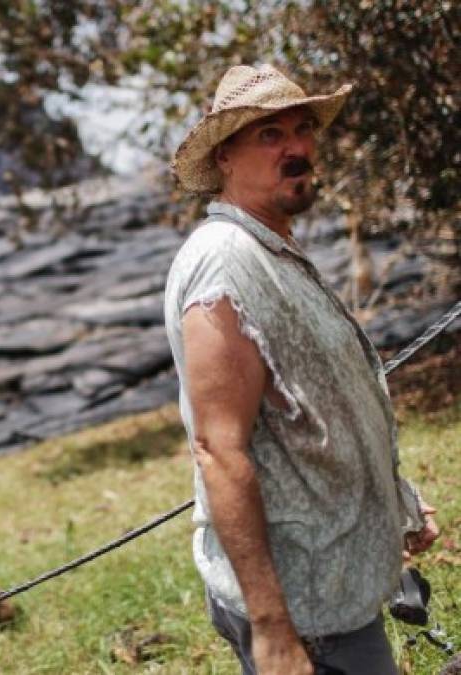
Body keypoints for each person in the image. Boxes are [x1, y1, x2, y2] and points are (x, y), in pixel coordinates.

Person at [164, 65, 440, 674]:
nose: (296, 148)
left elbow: (318, 409)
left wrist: (393, 505)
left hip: (330, 580)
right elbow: (219, 451)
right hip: (301, 608)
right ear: (226, 156)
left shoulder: (272, 253)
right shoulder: (224, 265)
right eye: (269, 134)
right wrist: (272, 629)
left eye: (302, 128)